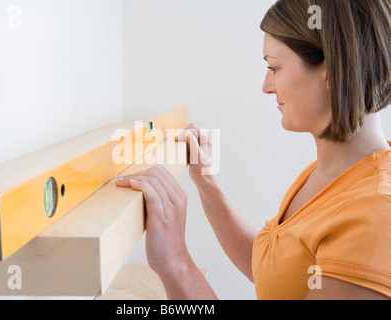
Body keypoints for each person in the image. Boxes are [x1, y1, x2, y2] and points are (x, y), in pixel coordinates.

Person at [116, 0, 391, 300]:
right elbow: (272, 269)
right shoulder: (330, 172)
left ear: (330, 70)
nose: (266, 85)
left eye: (274, 67)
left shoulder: (375, 213)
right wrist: (205, 179)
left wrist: (175, 262)